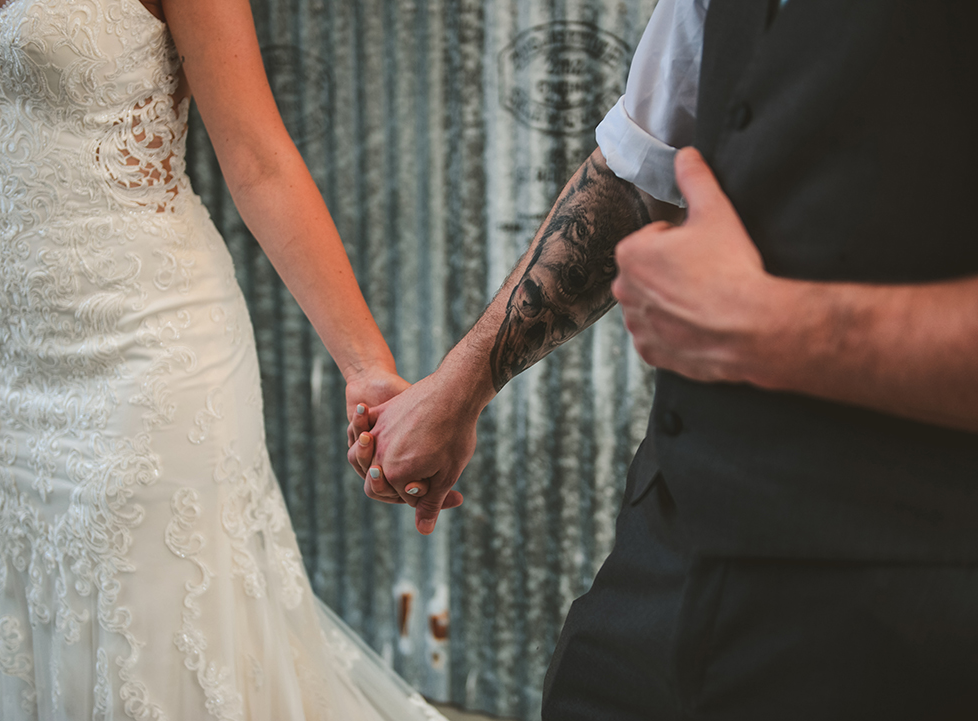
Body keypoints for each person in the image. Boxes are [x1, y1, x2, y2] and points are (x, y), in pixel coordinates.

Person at [348, 0, 978, 718]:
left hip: (902, 609)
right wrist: (460, 386)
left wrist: (772, 328)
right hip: (663, 564)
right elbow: (639, 170)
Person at [0, 0, 449, 718]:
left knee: (163, 658)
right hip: (17, 380)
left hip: (153, 361)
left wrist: (366, 365)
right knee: (61, 651)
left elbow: (258, 161)